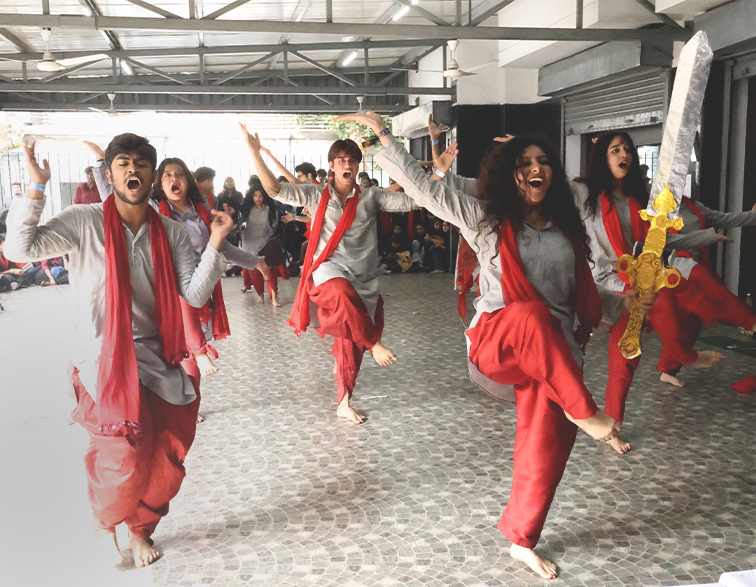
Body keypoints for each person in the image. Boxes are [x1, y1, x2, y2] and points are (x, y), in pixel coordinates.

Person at [348, 110, 641, 579]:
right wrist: (384, 134)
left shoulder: (566, 231)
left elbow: (579, 295)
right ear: (510, 174)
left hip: (554, 356)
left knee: (544, 452)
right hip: (498, 343)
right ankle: (584, 410)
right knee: (532, 315)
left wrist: (627, 303)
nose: (535, 168)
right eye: (524, 162)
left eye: (543, 161)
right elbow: (425, 189)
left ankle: (522, 540)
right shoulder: (485, 219)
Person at [4, 135, 235, 568]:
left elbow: (193, 293)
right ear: (109, 173)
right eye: (124, 162)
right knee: (123, 453)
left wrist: (217, 241)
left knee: (168, 451)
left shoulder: (170, 231)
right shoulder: (83, 220)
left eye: (142, 163)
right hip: (101, 358)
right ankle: (105, 520)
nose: (133, 169)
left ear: (151, 176)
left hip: (156, 356)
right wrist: (36, 187)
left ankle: (140, 528)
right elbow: (18, 250)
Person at [241, 122, 411, 424]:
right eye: (341, 160)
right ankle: (373, 343)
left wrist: (438, 172)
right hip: (327, 270)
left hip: (363, 277)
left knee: (349, 340)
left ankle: (343, 402)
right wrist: (255, 153)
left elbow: (414, 199)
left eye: (353, 160)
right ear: (331, 166)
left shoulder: (371, 197)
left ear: (358, 165)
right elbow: (275, 189)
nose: (348, 164)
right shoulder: (316, 194)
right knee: (341, 293)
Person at [572, 131, 726, 450]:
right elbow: (550, 187)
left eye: (627, 149)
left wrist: (709, 236)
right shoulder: (585, 193)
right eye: (615, 150)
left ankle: (613, 425)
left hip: (638, 281)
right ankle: (686, 356)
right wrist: (522, 155)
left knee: (628, 350)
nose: (623, 154)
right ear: (603, 158)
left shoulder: (639, 201)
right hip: (607, 284)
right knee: (656, 310)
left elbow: (662, 241)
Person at [152, 157, 266, 381]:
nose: (174, 179)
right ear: (160, 183)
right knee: (181, 353)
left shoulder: (201, 212)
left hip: (200, 281)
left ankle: (194, 379)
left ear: (188, 181)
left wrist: (255, 262)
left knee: (188, 367)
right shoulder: (153, 210)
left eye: (179, 174)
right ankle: (199, 352)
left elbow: (222, 246)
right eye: (168, 175)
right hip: (166, 286)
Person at [656, 196, 756, 385]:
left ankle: (668, 370)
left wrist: (752, 216)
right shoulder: (658, 205)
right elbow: (664, 240)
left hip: (696, 261)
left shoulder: (692, 205)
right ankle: (750, 321)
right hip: (679, 264)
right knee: (711, 286)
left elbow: (723, 218)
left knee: (690, 321)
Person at [238, 178, 288, 307]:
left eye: (260, 195)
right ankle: (260, 294)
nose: (258, 198)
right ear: (251, 196)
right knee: (255, 274)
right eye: (255, 196)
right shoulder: (245, 210)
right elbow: (240, 225)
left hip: (266, 243)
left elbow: (275, 226)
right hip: (249, 244)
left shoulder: (271, 209)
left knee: (270, 273)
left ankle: (274, 297)